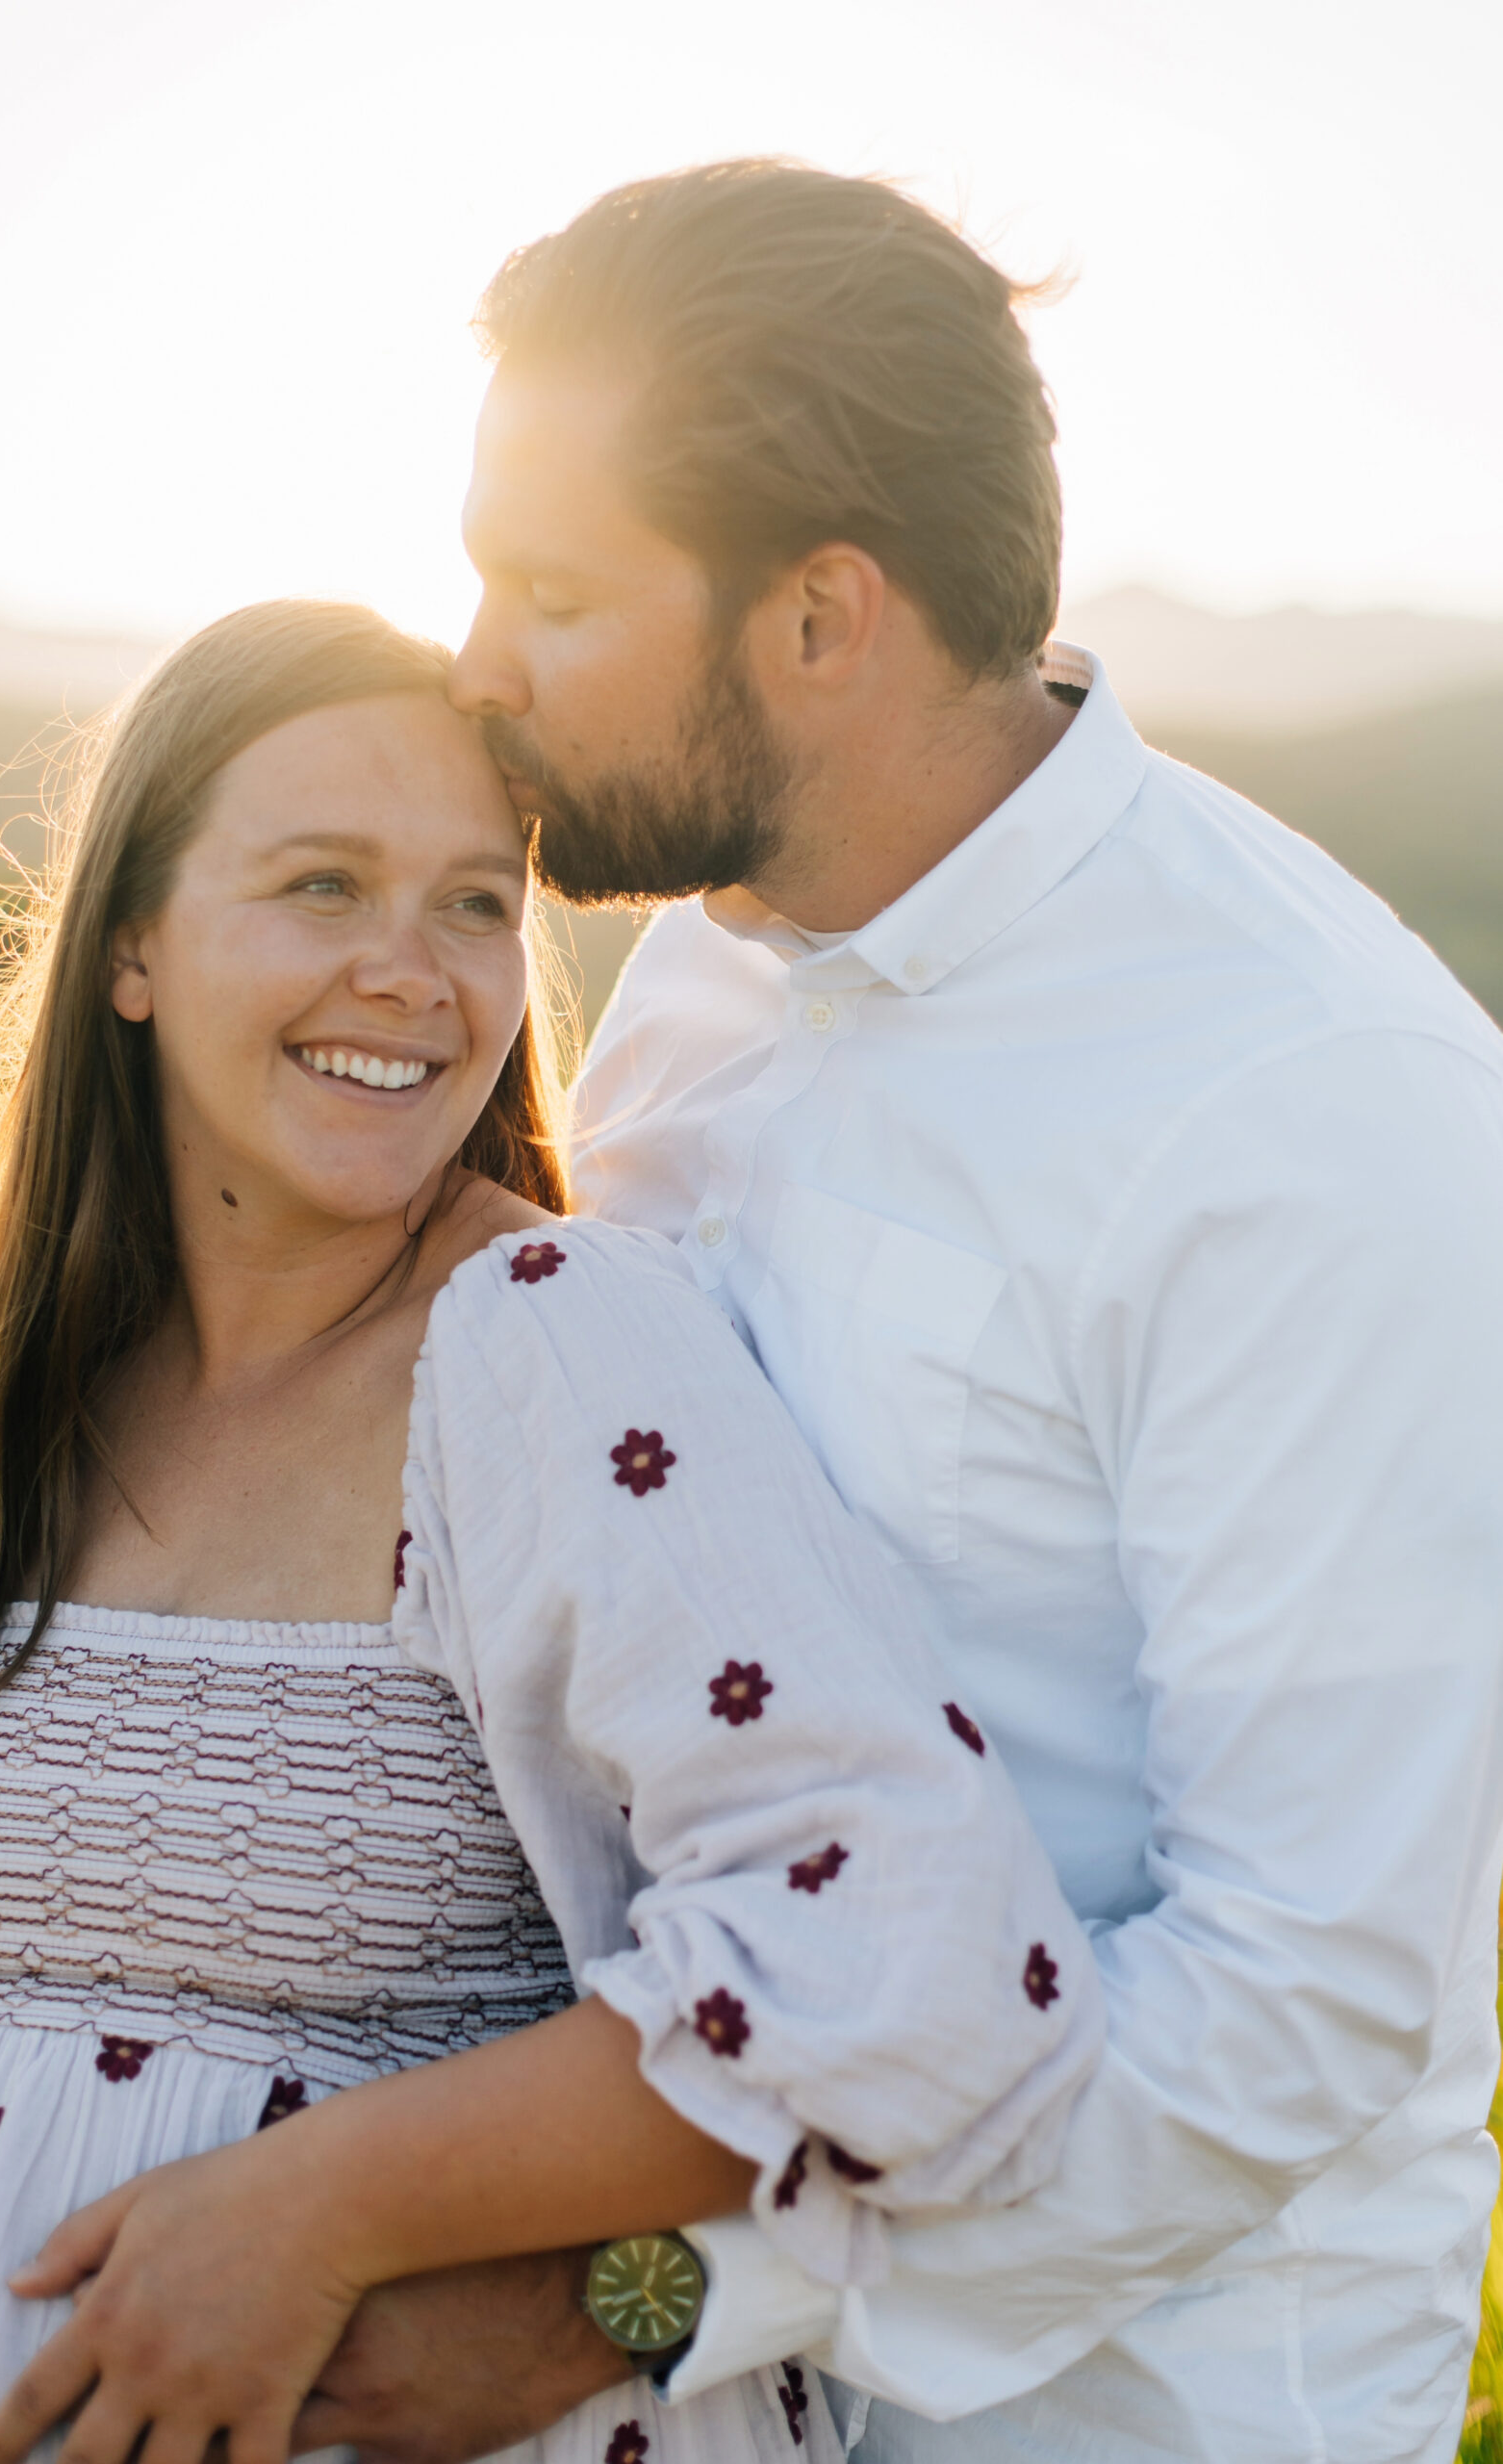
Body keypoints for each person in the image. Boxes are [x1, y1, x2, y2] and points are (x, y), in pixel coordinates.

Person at [276, 160, 1503, 2462]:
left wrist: (642, 2301)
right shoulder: (696, 978)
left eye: (548, 590)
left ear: (821, 617)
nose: (475, 664)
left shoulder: (1318, 1102)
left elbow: (1296, 1995)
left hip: (1126, 2403)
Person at [0, 598, 1102, 2464]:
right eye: (322, 882)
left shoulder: (548, 1339)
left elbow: (921, 1951)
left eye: (477, 901)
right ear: (129, 942)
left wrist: (310, 2207)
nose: (415, 969)